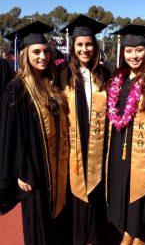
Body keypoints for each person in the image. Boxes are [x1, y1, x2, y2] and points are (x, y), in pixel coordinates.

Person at [0, 21, 69, 245]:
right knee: (37, 225)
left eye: (46, 51)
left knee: (54, 220)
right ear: (25, 54)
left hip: (53, 162)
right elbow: (12, 134)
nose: (43, 56)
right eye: (36, 52)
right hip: (33, 167)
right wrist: (21, 171)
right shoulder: (16, 89)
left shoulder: (50, 83)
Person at [106, 24, 145, 245]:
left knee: (138, 190)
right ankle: (128, 230)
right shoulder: (118, 79)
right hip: (119, 145)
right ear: (122, 53)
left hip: (141, 146)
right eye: (129, 51)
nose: (134, 55)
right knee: (123, 188)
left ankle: (138, 234)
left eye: (139, 50)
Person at [60, 14, 110, 245]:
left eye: (88, 44)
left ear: (95, 46)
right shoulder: (63, 75)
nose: (84, 49)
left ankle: (95, 235)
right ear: (73, 47)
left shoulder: (104, 74)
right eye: (80, 44)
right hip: (73, 144)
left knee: (97, 191)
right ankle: (78, 236)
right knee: (76, 190)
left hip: (98, 143)